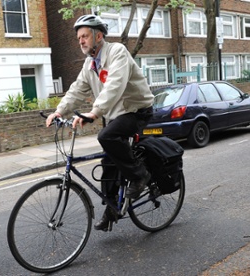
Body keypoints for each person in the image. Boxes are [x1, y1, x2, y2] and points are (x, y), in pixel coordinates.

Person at [45, 14, 154, 231]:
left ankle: (140, 176)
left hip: (137, 110)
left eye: (85, 36)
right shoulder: (89, 64)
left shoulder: (117, 52)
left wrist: (94, 113)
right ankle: (111, 211)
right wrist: (59, 112)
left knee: (106, 136)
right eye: (79, 38)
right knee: (108, 164)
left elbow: (115, 85)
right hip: (115, 115)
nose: (81, 41)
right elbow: (76, 89)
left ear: (99, 36)